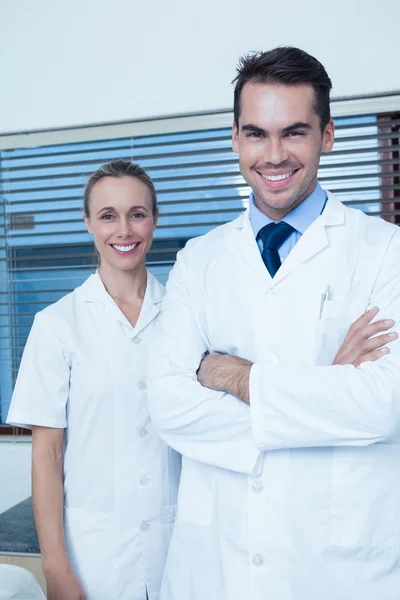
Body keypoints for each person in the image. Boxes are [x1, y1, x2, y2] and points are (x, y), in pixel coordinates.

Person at [147, 47, 400, 600]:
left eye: (295, 132)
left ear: (327, 136)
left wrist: (238, 378)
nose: (274, 154)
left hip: (336, 573)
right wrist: (326, 387)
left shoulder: (386, 252)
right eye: (257, 133)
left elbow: (383, 404)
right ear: (236, 139)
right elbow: (168, 405)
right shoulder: (200, 258)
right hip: (215, 568)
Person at [7, 160, 181, 600]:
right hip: (97, 555)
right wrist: (56, 569)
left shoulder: (186, 316)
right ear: (88, 223)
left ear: (155, 220)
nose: (124, 230)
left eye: (137, 214)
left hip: (182, 544)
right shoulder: (57, 325)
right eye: (108, 215)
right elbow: (46, 455)